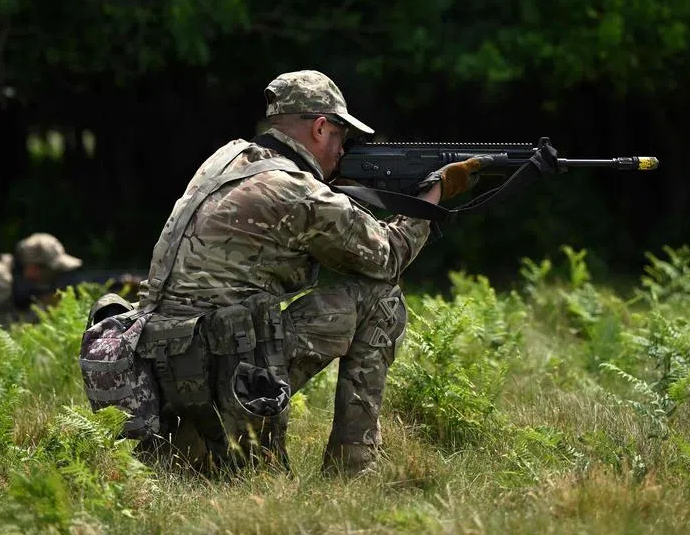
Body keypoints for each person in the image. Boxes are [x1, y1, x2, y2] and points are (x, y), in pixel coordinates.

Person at [114, 70, 502, 477]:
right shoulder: (298, 190)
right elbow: (387, 257)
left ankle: (197, 448)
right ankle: (353, 467)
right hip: (224, 385)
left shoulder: (225, 159)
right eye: (340, 136)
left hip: (164, 382)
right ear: (319, 127)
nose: (342, 150)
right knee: (380, 297)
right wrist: (435, 194)